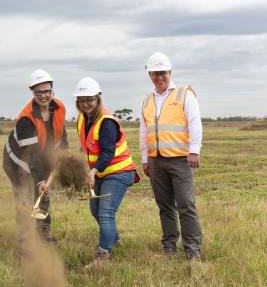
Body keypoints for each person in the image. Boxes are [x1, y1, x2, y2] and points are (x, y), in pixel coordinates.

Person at [140, 52, 203, 261]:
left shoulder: (184, 94)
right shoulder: (147, 100)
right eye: (154, 73)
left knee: (186, 205)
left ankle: (192, 249)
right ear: (149, 74)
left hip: (180, 161)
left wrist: (194, 150)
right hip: (156, 161)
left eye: (162, 73)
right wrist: (145, 159)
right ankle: (169, 245)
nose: (159, 77)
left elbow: (195, 123)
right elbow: (144, 131)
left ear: (170, 72)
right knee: (164, 206)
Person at [73, 77, 139, 269]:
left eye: (90, 99)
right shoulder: (82, 119)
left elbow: (108, 152)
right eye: (82, 100)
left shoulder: (107, 121)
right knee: (95, 210)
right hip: (101, 172)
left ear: (98, 97)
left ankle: (102, 257)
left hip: (119, 171)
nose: (86, 104)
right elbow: (88, 147)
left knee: (106, 213)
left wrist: (93, 171)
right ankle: (115, 241)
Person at [3, 69, 68, 247]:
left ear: (52, 90)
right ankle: (25, 238)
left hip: (39, 156)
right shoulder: (27, 118)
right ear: (33, 92)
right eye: (39, 92)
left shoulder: (59, 107)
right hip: (17, 161)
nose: (44, 96)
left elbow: (61, 134)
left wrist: (64, 154)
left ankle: (43, 231)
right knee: (25, 195)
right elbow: (31, 155)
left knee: (43, 194)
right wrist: (40, 180)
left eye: (47, 91)